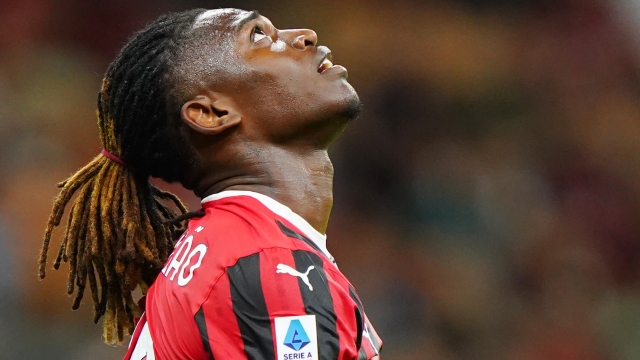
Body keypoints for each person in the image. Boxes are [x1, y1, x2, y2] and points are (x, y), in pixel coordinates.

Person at [39, 7, 382, 360]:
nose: (304, 35)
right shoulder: (268, 264)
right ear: (211, 113)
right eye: (259, 36)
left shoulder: (235, 250)